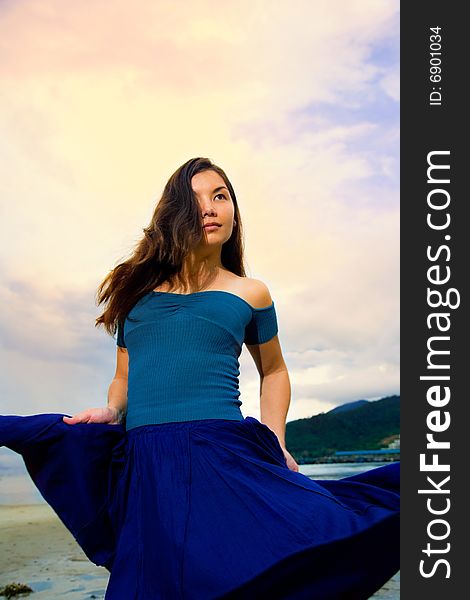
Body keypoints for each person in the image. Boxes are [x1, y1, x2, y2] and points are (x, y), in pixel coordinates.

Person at [0, 157, 399, 599]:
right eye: (195, 201)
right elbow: (123, 377)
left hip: (222, 454)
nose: (209, 208)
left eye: (220, 196)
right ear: (174, 216)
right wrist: (112, 408)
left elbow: (274, 370)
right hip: (146, 461)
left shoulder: (250, 292)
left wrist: (277, 440)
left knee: (262, 562)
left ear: (233, 212)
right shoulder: (134, 291)